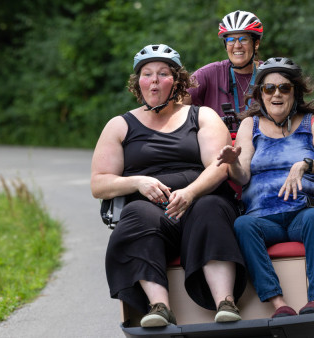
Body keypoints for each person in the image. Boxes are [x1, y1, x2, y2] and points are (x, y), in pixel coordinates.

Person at [90, 44, 247, 327]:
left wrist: (191, 192)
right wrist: (137, 181)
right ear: (137, 82)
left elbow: (219, 164)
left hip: (201, 200)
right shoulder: (119, 125)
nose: (154, 80)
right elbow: (99, 183)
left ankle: (226, 302)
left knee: (211, 207)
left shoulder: (201, 116)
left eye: (163, 74)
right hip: (154, 213)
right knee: (136, 215)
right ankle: (159, 306)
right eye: (147, 74)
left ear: (176, 81)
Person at [216, 57, 314, 318]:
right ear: (260, 94)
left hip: (301, 213)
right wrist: (232, 164)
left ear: (295, 93)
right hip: (263, 220)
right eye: (269, 88)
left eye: (284, 88)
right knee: (242, 225)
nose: (277, 94)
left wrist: (305, 164)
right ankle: (279, 304)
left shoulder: (311, 122)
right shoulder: (249, 125)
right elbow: (242, 178)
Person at [183, 10, 264, 130]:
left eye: (243, 39)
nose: (237, 45)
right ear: (225, 45)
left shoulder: (270, 74)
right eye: (231, 40)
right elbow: (175, 107)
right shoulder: (209, 73)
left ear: (256, 43)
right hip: (218, 145)